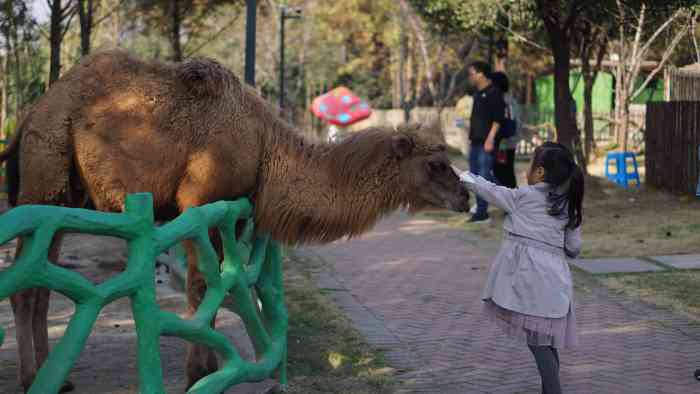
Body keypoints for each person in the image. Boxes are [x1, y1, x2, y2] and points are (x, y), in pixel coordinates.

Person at [455, 142, 584, 394]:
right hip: (555, 279)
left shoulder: (524, 197)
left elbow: (490, 191)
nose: (526, 170)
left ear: (540, 173)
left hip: (531, 280)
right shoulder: (567, 204)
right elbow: (574, 247)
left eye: (530, 165)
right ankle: (550, 389)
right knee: (544, 341)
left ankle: (553, 390)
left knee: (538, 342)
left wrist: (462, 175)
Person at [467, 61, 506, 223]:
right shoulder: (477, 93)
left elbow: (498, 119)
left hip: (487, 142)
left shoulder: (494, 93)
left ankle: (485, 211)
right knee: (477, 177)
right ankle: (506, 203)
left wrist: (490, 139)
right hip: (475, 141)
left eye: (472, 73)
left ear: (481, 74)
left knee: (483, 176)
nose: (470, 77)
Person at [490, 71, 519, 189]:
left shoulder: (506, 101)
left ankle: (513, 200)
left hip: (504, 143)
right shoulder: (508, 99)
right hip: (506, 142)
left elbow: (510, 124)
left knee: (504, 172)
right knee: (503, 171)